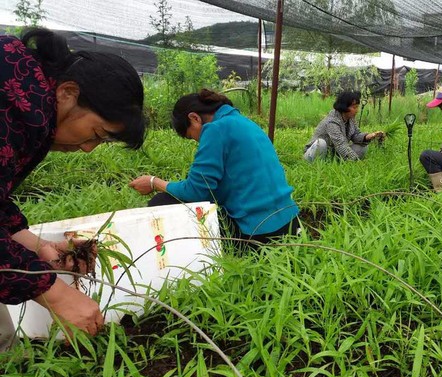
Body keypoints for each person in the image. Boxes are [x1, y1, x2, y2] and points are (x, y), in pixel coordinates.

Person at [0, 28, 146, 349]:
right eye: (97, 132)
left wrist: (36, 245)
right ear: (67, 92)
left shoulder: (26, 101)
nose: (89, 149)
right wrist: (57, 295)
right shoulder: (10, 110)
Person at [129, 89, 299, 249]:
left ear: (194, 118)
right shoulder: (244, 122)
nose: (197, 141)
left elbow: (195, 191)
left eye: (191, 136)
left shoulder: (215, 129)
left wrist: (154, 182)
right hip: (290, 222)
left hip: (259, 231)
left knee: (163, 202)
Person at [303, 91, 384, 162]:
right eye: (354, 107)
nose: (357, 110)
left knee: (362, 147)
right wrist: (357, 162)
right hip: (315, 152)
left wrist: (369, 136)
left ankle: (336, 161)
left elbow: (355, 135)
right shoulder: (331, 121)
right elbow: (340, 144)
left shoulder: (350, 119)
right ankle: (315, 163)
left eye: (357, 107)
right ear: (344, 107)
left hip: (332, 153)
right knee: (321, 143)